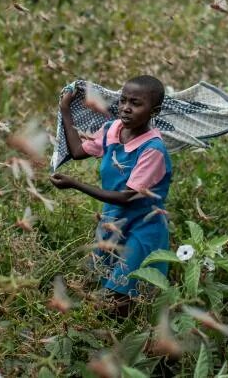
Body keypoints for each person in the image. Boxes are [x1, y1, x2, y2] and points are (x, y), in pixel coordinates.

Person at [50, 75, 172, 318]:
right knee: (98, 286)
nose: (126, 108)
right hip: (112, 224)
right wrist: (65, 109)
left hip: (143, 229)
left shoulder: (153, 150)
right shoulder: (113, 130)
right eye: (123, 100)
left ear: (154, 111)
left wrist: (75, 184)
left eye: (136, 103)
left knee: (121, 300)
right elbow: (77, 151)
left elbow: (126, 197)